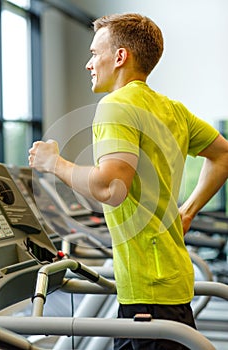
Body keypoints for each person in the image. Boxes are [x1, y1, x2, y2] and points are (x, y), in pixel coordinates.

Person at [28, 13, 228, 350]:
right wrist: (188, 211)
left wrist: (55, 163)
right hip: (165, 282)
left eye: (95, 53)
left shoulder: (116, 105)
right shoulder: (172, 109)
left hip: (148, 292)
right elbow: (223, 154)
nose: (89, 64)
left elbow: (111, 187)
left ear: (120, 57)